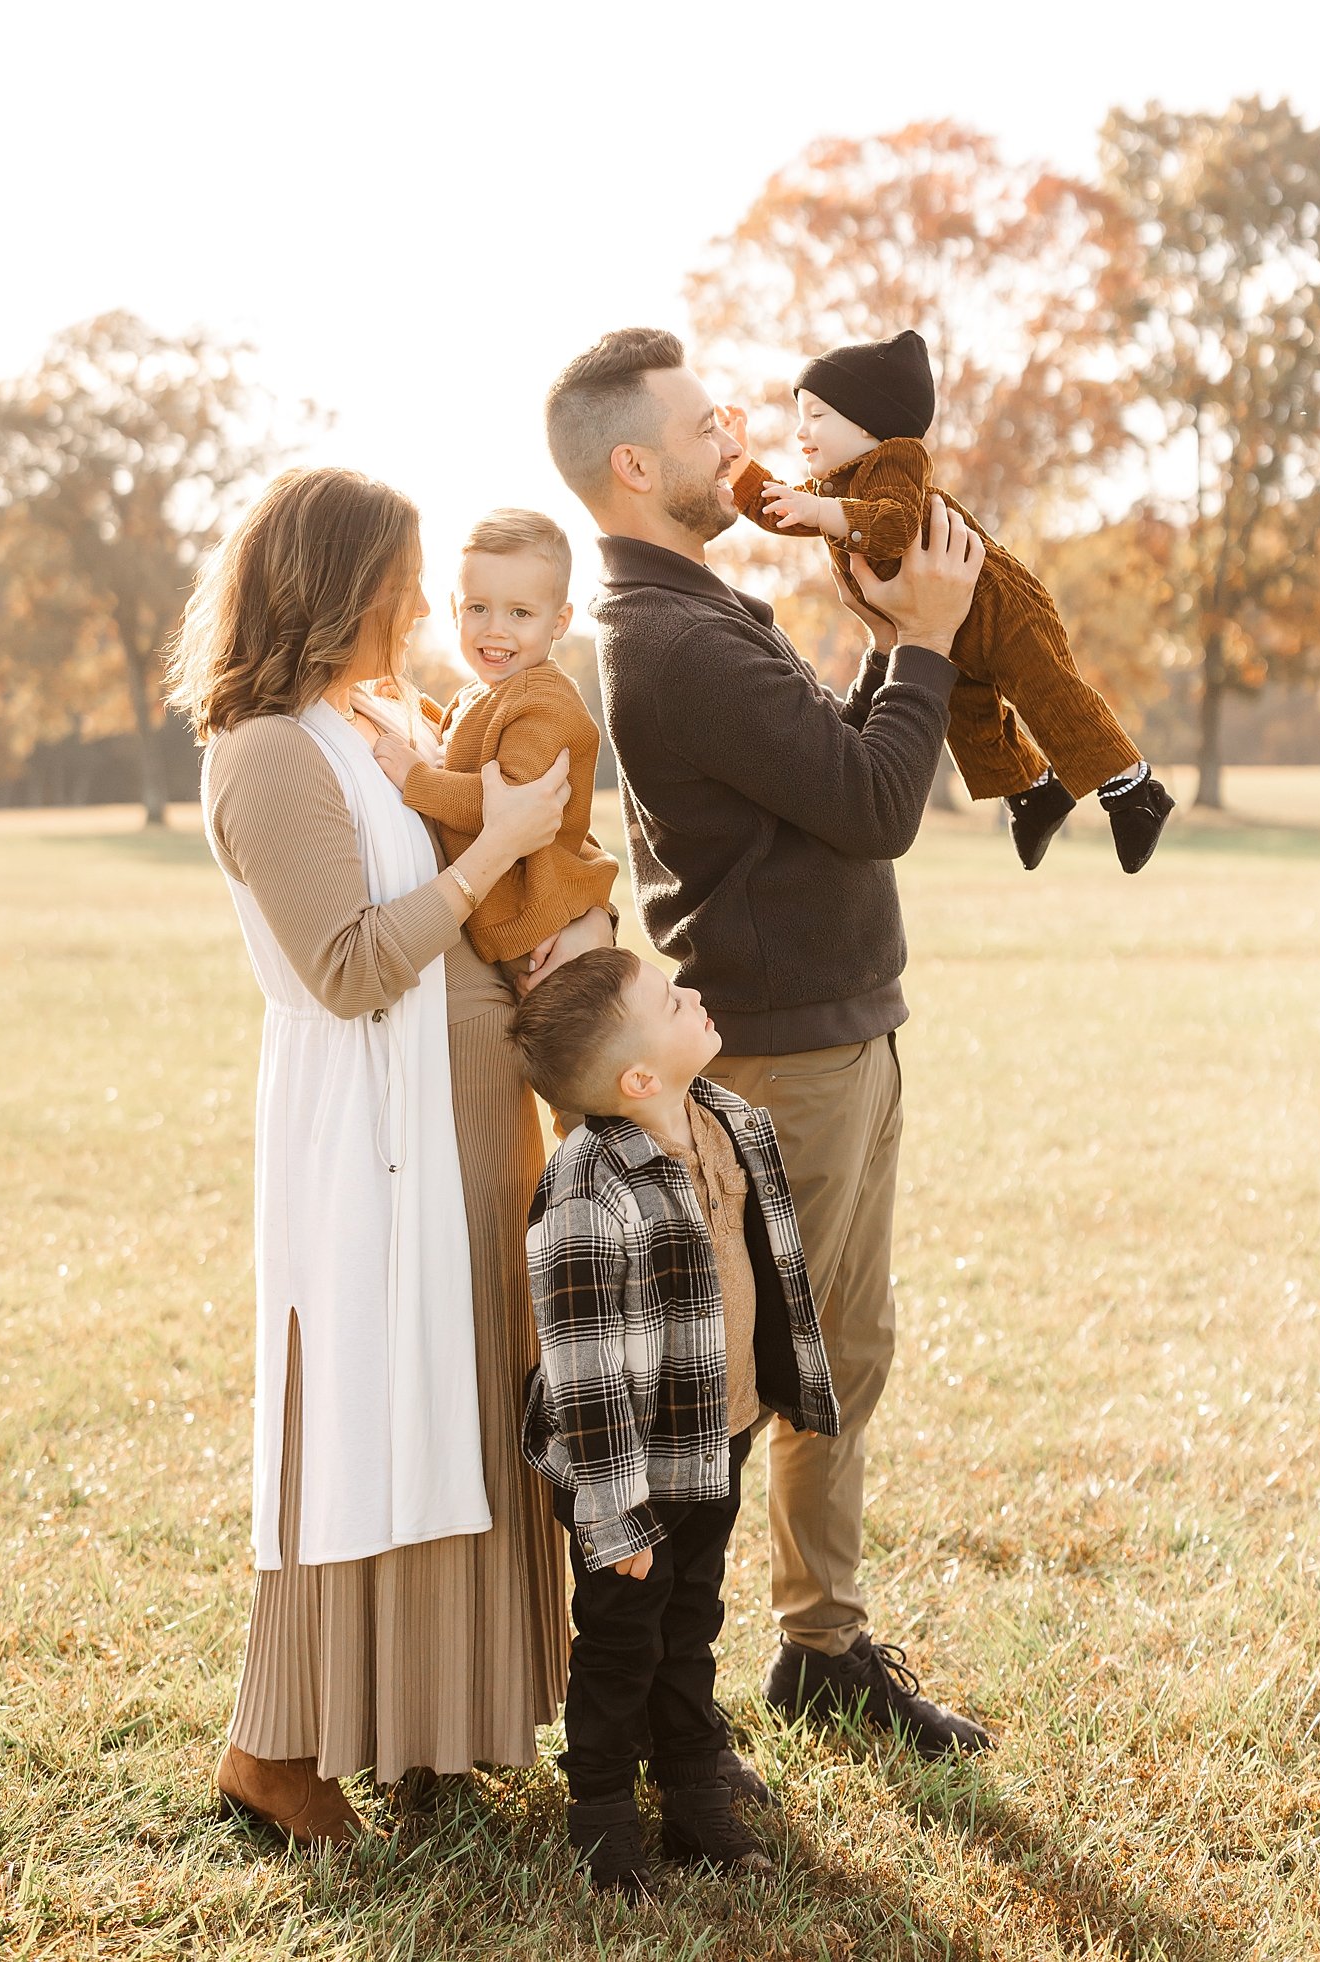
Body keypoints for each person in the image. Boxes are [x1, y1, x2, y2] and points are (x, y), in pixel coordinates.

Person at [545, 326, 992, 1755]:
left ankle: (824, 1647)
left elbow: (827, 780)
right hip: (783, 1059)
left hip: (850, 1028)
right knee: (732, 1386)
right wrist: (923, 641)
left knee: (844, 1351)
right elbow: (873, 804)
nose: (729, 423)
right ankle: (672, 1705)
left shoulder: (707, 605)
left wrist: (877, 642)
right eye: (698, 419)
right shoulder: (666, 638)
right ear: (633, 464)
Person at [165, 465, 613, 1847]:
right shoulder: (264, 751)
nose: (423, 605)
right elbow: (352, 964)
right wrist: (502, 857)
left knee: (469, 1404)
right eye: (405, 580)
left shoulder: (373, 720)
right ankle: (270, 1750)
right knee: (355, 1418)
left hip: (467, 1126)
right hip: (368, 1134)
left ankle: (432, 1727)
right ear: (338, 587)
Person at [510, 947, 839, 1901]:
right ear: (637, 1078)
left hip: (718, 1432)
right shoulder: (587, 1182)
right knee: (621, 1639)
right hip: (630, 1468)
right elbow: (579, 1362)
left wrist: (789, 1388)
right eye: (670, 996)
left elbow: (768, 1274)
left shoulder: (730, 1123)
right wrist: (614, 1516)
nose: (693, 991)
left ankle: (695, 1790)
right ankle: (602, 1814)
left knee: (692, 1619)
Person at [729, 329, 1175, 872]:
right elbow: (786, 509)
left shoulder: (896, 461)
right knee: (967, 715)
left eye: (817, 415)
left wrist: (823, 514)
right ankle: (1034, 791)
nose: (801, 430)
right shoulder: (838, 489)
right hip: (948, 621)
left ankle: (1133, 789)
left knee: (1048, 694)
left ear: (868, 422)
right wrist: (740, 471)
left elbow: (892, 527)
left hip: (1003, 610)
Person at [370, 506, 616, 980]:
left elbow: (505, 806)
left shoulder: (545, 704)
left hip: (538, 925)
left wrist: (414, 778)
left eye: (520, 613)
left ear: (559, 621)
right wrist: (416, 706)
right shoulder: (488, 692)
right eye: (477, 608)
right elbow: (467, 749)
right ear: (453, 609)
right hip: (515, 919)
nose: (495, 628)